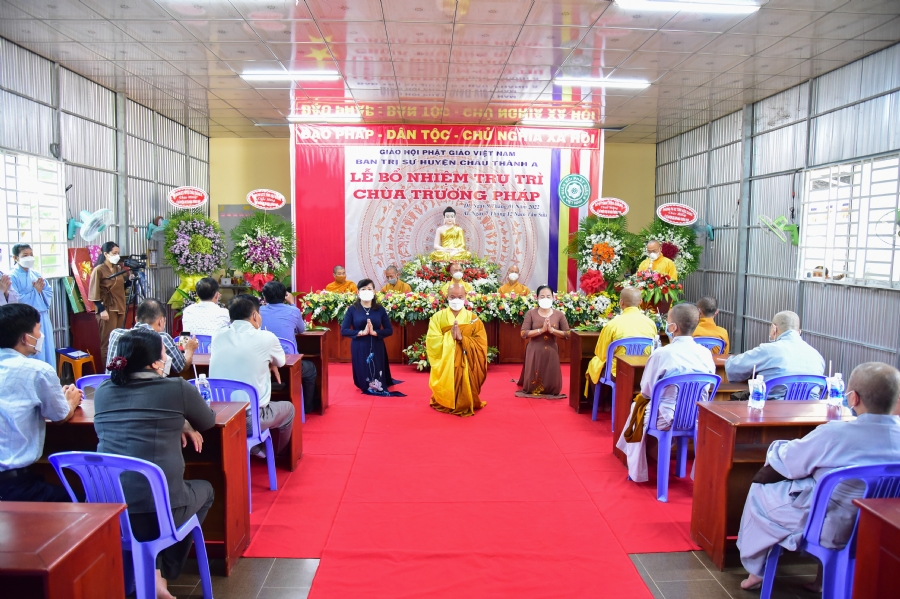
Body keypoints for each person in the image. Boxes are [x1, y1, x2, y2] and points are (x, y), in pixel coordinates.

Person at [736, 362, 900, 591]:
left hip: (829, 526)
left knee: (760, 489)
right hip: (881, 528)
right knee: (830, 492)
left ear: (853, 398)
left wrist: (777, 447)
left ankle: (756, 569)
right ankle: (822, 579)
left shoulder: (836, 433)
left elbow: (791, 463)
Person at [94, 328, 216, 599]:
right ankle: (163, 571)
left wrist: (178, 420)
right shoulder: (176, 388)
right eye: (164, 354)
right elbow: (207, 421)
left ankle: (152, 574)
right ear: (154, 363)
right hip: (157, 513)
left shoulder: (102, 391)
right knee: (206, 490)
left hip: (110, 511)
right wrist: (183, 420)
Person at [616, 303, 715, 482]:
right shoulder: (705, 353)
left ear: (673, 327)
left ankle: (636, 470)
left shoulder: (662, 354)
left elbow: (646, 390)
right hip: (696, 417)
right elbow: (708, 387)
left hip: (665, 419)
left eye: (668, 322)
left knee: (636, 407)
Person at [0, 304, 82, 502]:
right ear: (26, 338)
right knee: (82, 500)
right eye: (38, 329)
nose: (41, 335)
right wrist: (69, 402)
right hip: (15, 486)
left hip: (12, 482)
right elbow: (60, 416)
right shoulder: (37, 370)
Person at [209, 295, 294, 457]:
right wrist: (270, 361)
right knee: (288, 409)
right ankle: (273, 454)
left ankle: (253, 448)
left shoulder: (218, 335)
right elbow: (282, 362)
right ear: (255, 315)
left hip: (220, 412)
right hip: (250, 419)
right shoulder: (266, 337)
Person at [725, 310, 825, 399]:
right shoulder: (817, 356)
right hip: (808, 413)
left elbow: (733, 368)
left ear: (774, 328)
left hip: (769, 411)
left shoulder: (769, 350)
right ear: (799, 332)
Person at [426, 283, 488, 416]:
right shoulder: (438, 317)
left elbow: (480, 343)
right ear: (447, 297)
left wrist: (462, 339)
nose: (456, 300)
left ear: (465, 297)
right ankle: (446, 400)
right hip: (447, 360)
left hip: (466, 360)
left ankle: (466, 400)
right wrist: (450, 337)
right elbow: (432, 341)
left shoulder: (473, 319)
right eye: (452, 296)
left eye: (460, 297)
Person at [586, 287, 657, 396]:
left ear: (621, 302)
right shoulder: (651, 324)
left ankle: (601, 404)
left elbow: (602, 354)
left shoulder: (613, 324)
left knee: (594, 363)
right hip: (643, 372)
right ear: (640, 302)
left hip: (617, 373)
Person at [260, 281, 319, 412]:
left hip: (263, 364)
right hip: (289, 365)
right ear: (285, 295)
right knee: (311, 368)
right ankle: (308, 406)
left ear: (264, 297)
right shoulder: (293, 310)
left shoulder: (258, 312)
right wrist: (292, 303)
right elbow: (301, 330)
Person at [341, 279, 404, 396]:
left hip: (376, 344)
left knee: (377, 377)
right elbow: (344, 330)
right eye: (363, 289)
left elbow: (389, 330)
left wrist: (376, 333)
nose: (366, 291)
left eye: (369, 289)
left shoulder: (380, 309)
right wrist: (361, 332)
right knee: (364, 382)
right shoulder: (352, 309)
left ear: (374, 292)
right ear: (358, 292)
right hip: (359, 346)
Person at [107, 298, 199, 375]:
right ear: (161, 321)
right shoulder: (161, 338)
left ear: (136, 319)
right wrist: (189, 350)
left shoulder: (115, 334)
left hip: (110, 390)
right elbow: (181, 367)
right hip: (144, 392)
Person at [517, 285, 569, 396]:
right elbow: (523, 333)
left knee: (553, 386)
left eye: (548, 296)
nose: (545, 298)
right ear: (537, 298)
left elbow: (567, 334)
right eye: (542, 296)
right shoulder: (531, 313)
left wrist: (552, 330)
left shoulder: (559, 315)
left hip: (551, 350)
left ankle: (550, 388)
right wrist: (541, 330)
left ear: (553, 298)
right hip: (534, 350)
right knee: (533, 384)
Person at [9, 244, 56, 367]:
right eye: (25, 255)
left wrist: (39, 292)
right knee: (33, 350)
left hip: (43, 317)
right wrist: (35, 292)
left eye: (31, 255)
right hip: (26, 321)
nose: (29, 258)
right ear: (15, 258)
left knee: (47, 348)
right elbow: (15, 301)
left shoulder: (36, 274)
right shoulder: (11, 277)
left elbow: (49, 292)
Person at [89, 241, 131, 366]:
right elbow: (93, 292)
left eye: (118, 253)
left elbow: (122, 286)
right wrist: (101, 309)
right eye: (114, 253)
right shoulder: (99, 270)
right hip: (107, 309)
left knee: (118, 341)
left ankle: (118, 368)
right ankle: (107, 371)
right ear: (106, 254)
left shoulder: (118, 269)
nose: (117, 256)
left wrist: (130, 281)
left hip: (120, 307)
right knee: (107, 343)